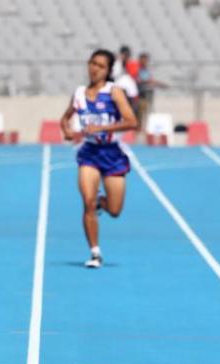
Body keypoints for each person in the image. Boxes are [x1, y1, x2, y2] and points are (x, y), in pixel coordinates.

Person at [60, 49, 138, 268]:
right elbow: (65, 119)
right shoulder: (78, 94)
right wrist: (67, 131)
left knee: (114, 210)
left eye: (101, 66)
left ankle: (101, 204)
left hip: (112, 154)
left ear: (108, 70)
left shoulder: (114, 92)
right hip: (89, 154)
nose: (95, 68)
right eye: (92, 63)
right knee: (87, 202)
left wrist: (102, 127)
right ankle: (95, 253)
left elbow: (132, 121)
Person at [136, 52, 168, 132]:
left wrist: (157, 83)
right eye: (144, 60)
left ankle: (143, 130)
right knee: (139, 114)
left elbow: (150, 79)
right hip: (139, 95)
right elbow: (139, 79)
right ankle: (138, 130)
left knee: (145, 113)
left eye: (147, 60)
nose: (146, 61)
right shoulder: (137, 69)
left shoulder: (146, 70)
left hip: (146, 95)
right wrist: (155, 82)